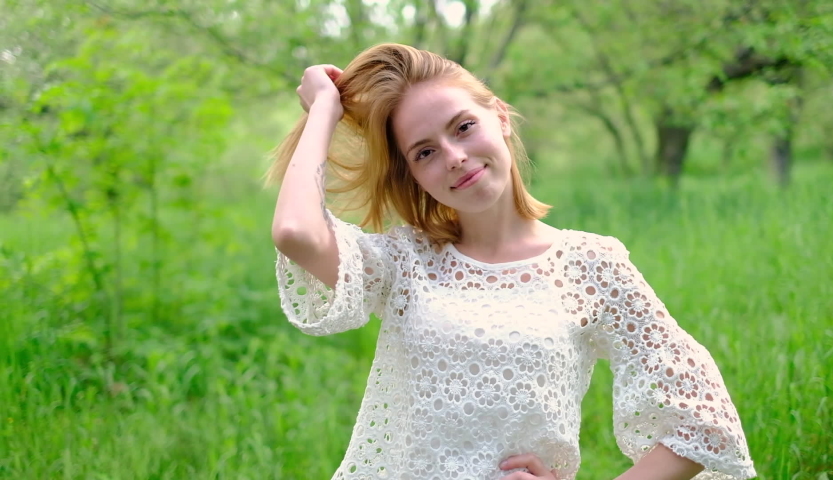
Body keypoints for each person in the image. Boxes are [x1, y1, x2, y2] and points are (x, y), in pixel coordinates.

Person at [268, 43, 755, 480]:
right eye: (425, 152)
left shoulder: (592, 264)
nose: (455, 157)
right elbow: (296, 232)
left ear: (499, 115)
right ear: (413, 175)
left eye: (463, 127)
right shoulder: (404, 262)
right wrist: (324, 111)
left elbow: (703, 418)